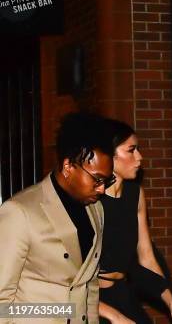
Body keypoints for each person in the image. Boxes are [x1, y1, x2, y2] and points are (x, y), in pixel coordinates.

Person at [0, 111, 115, 324]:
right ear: (68, 166)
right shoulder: (19, 212)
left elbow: (89, 286)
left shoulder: (96, 210)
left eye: (106, 181)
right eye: (97, 179)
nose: (101, 189)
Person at [97, 118, 172, 324]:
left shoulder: (135, 193)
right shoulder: (91, 198)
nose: (139, 157)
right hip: (92, 300)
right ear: (109, 155)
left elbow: (147, 258)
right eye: (131, 150)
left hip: (122, 291)